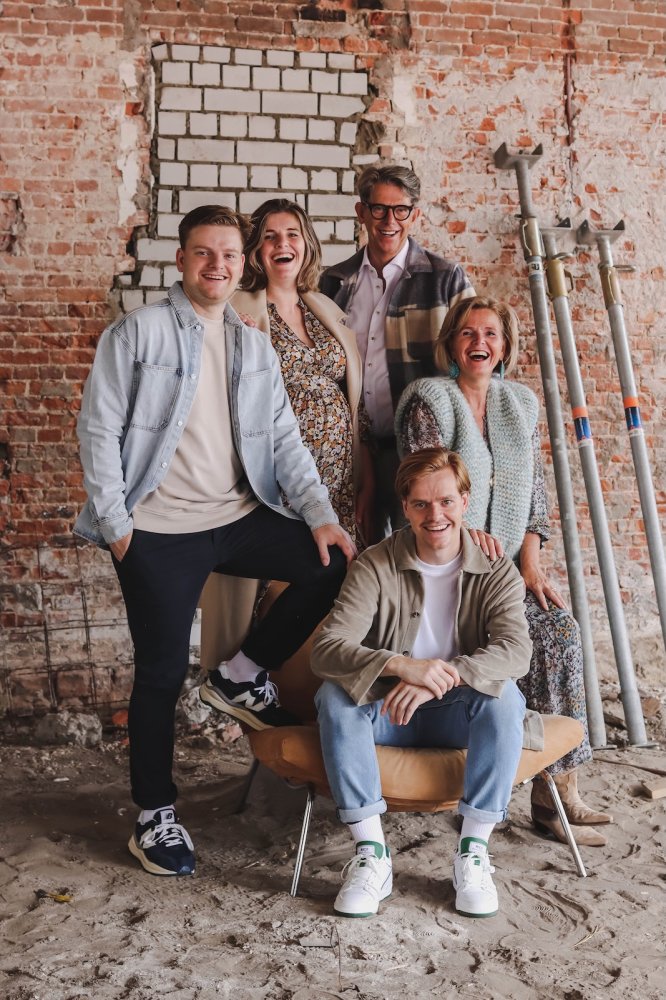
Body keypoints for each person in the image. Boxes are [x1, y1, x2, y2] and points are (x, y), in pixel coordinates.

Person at [75, 205, 355, 878]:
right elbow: (97, 429)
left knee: (330, 562)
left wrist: (318, 513)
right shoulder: (137, 332)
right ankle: (155, 816)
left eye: (230, 254)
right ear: (181, 261)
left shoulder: (252, 344)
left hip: (236, 516)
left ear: (243, 262)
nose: (217, 265)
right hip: (159, 531)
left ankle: (239, 674)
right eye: (204, 253)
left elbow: (284, 439)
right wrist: (118, 528)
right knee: (162, 671)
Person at [395, 295, 612, 847]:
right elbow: (426, 488)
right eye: (468, 333)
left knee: (558, 631)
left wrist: (530, 566)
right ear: (450, 344)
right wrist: (465, 537)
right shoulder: (429, 400)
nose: (480, 343)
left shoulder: (520, 403)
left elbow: (535, 496)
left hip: (506, 574)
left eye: (491, 334)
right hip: (442, 570)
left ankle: (555, 792)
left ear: (506, 346)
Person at [311, 447, 537, 919]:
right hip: (389, 712)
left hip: (459, 716)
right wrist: (402, 666)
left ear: (465, 501)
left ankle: (473, 853)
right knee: (334, 697)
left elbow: (516, 650)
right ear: (406, 508)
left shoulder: (495, 567)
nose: (435, 515)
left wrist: (442, 677)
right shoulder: (375, 564)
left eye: (446, 501)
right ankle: (372, 855)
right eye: (421, 504)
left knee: (505, 699)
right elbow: (327, 649)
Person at [319, 163, 475, 539]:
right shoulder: (334, 282)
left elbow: (479, 367)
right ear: (361, 212)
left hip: (423, 451)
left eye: (401, 210)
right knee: (359, 550)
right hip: (353, 452)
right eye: (379, 209)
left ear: (414, 215)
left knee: (422, 550)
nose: (389, 220)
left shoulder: (445, 279)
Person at [231, 197, 372, 543]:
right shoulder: (236, 311)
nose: (283, 244)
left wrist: (366, 476)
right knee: (278, 566)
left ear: (306, 244)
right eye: (270, 236)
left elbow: (354, 401)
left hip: (340, 476)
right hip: (277, 475)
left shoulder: (324, 307)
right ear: (255, 249)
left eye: (292, 234)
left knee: (334, 565)